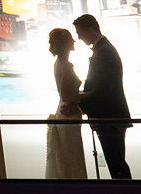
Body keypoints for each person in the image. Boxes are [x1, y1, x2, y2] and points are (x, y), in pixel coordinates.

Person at [74, 14, 132, 179]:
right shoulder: (104, 49)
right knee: (116, 162)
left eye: (80, 32)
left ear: (91, 30)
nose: (78, 37)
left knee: (116, 164)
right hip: (111, 116)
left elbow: (103, 90)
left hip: (109, 117)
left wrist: (79, 106)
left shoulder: (104, 52)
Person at [44, 27, 87, 179]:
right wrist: (89, 95)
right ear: (66, 43)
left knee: (66, 158)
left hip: (62, 112)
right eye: (71, 38)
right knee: (72, 157)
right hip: (68, 115)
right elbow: (67, 95)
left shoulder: (58, 63)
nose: (74, 41)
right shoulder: (67, 65)